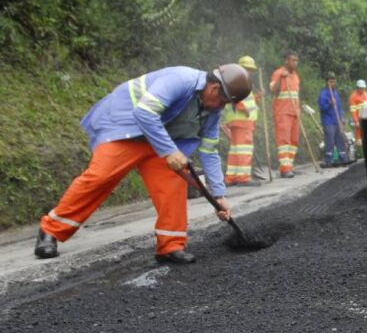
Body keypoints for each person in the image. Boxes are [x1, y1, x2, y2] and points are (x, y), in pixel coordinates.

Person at [35, 65, 251, 264]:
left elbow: (209, 150)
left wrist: (219, 195)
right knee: (100, 177)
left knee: (173, 184)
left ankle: (170, 246)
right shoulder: (180, 79)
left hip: (160, 140)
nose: (222, 107)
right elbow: (144, 113)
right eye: (224, 101)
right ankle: (51, 231)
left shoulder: (212, 111)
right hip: (125, 127)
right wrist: (170, 151)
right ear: (214, 88)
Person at [222, 56, 261, 186]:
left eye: (251, 70)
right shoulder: (238, 81)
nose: (249, 72)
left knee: (235, 150)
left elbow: (244, 99)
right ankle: (243, 177)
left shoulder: (238, 81)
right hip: (242, 121)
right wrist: (243, 109)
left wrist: (256, 97)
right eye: (247, 69)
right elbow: (235, 98)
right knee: (244, 149)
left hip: (238, 121)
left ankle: (231, 177)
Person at [269, 51, 301, 178]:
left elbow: (296, 95)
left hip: (294, 112)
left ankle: (290, 165)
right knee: (284, 141)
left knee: (294, 141)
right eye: (293, 60)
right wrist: (281, 78)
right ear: (286, 61)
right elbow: (274, 91)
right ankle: (285, 168)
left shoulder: (296, 75)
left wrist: (299, 109)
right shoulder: (278, 73)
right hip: (282, 112)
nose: (295, 63)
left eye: (296, 60)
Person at [318, 73, 350, 168]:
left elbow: (339, 107)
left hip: (337, 120)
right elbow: (322, 108)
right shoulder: (323, 94)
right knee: (330, 140)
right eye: (330, 82)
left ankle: (343, 158)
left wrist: (342, 117)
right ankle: (328, 160)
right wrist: (330, 103)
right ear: (327, 82)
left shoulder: (335, 93)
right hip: (328, 121)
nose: (332, 83)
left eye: (333, 81)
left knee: (340, 139)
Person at [348, 79, 367, 151]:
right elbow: (353, 110)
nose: (362, 89)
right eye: (360, 88)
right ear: (357, 87)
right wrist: (356, 121)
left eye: (363, 88)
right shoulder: (353, 96)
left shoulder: (366, 94)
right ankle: (360, 151)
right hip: (359, 119)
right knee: (359, 137)